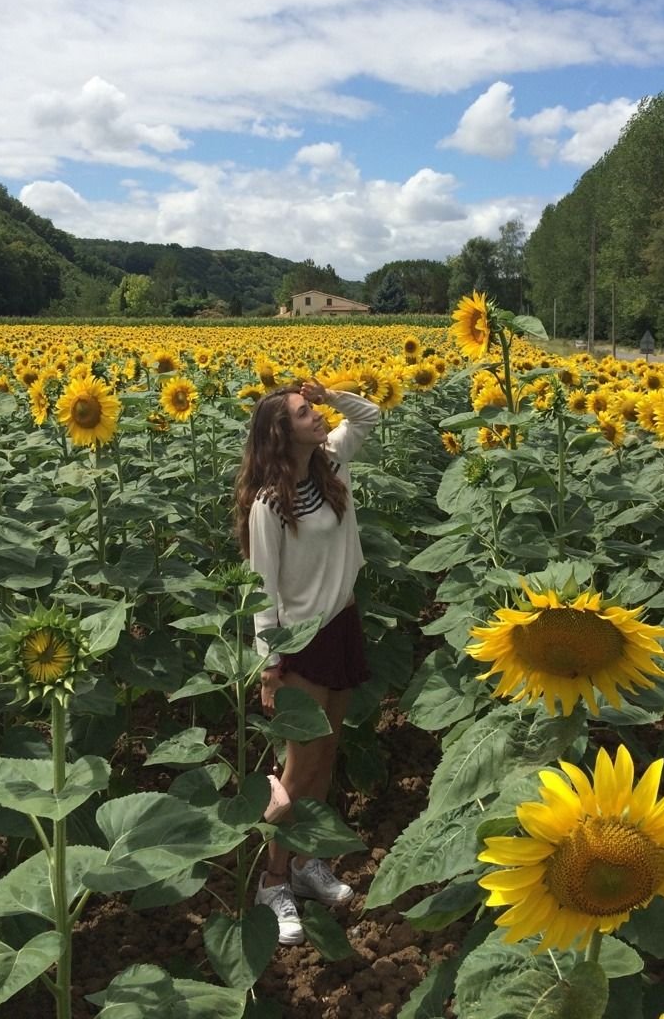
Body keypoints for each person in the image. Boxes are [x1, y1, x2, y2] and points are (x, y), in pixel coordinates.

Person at [234, 378, 380, 945]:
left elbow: (366, 415)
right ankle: (271, 881)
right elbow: (261, 585)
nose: (316, 415)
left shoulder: (330, 465)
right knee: (296, 772)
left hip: (340, 625)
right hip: (299, 642)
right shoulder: (270, 503)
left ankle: (304, 862)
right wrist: (269, 660)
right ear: (280, 433)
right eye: (304, 412)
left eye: (314, 409)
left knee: (326, 758)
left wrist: (331, 391)